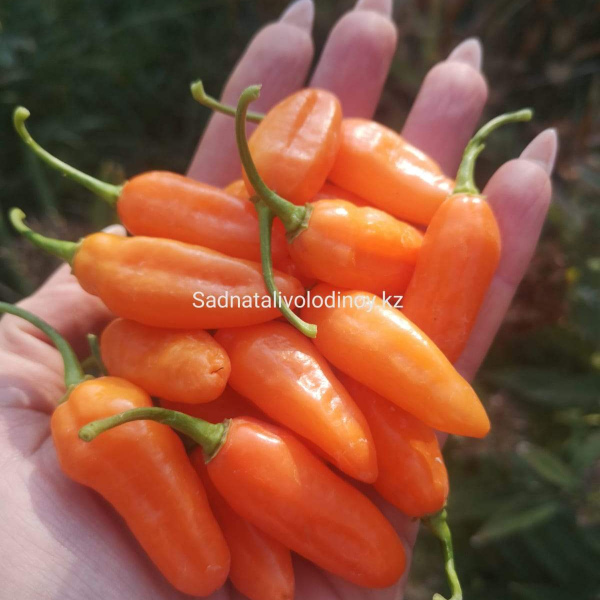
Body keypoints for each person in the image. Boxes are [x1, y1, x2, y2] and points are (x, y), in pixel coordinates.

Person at [0, 0, 556, 598]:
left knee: (319, 377)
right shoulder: (197, 347)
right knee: (255, 380)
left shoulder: (304, 297)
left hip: (294, 316)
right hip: (258, 336)